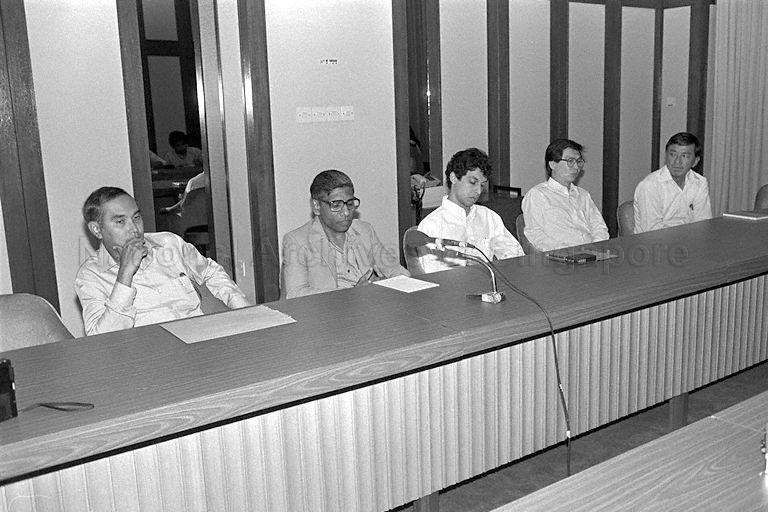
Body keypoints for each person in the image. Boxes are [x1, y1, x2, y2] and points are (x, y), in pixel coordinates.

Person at [76, 187, 250, 335]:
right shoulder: (90, 275)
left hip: (201, 338)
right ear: (97, 230)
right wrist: (124, 276)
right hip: (148, 357)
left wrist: (243, 312)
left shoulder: (169, 244)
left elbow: (210, 272)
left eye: (136, 218)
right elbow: (101, 339)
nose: (134, 229)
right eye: (120, 221)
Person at [281, 170, 409, 299]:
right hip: (329, 314)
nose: (347, 213)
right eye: (336, 205)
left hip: (370, 308)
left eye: (349, 204)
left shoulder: (364, 230)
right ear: (317, 206)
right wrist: (352, 294)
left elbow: (396, 270)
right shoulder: (297, 241)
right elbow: (295, 295)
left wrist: (388, 283)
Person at [416, 147, 524, 273]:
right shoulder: (432, 225)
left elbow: (515, 257)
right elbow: (433, 275)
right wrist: (466, 265)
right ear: (454, 178)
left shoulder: (488, 217)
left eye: (482, 185)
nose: (478, 191)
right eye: (473, 182)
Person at [522, 139, 609, 251]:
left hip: (592, 254)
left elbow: (599, 228)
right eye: (570, 161)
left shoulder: (583, 195)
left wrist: (595, 248)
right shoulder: (538, 195)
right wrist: (566, 253)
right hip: (561, 258)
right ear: (552, 164)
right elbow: (536, 235)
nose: (576, 167)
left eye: (579, 162)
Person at [633, 132, 712, 234]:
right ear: (666, 156)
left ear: (695, 161)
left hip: (690, 243)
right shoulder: (650, 186)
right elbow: (652, 232)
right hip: (653, 246)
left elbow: (703, 224)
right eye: (673, 154)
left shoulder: (699, 182)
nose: (677, 162)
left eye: (684, 156)